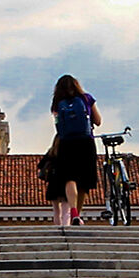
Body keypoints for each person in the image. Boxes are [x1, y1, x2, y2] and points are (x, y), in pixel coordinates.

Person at [46, 74, 101, 227]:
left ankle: (73, 212)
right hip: (86, 142)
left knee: (70, 178)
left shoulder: (57, 104)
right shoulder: (87, 99)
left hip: (66, 144)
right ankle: (77, 214)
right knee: (84, 181)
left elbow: (58, 126)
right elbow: (98, 121)